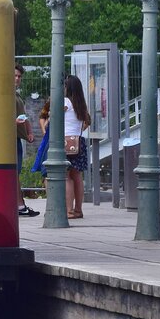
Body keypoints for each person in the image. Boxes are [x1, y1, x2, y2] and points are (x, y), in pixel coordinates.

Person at [63, 75, 92, 219]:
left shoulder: (66, 102)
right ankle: (78, 210)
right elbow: (87, 121)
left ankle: (68, 211)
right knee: (77, 176)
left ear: (67, 87)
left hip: (66, 142)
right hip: (79, 141)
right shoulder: (81, 104)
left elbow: (54, 116)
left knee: (66, 176)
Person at [14, 64, 38, 217]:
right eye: (14, 76)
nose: (17, 79)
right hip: (10, 139)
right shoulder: (6, 95)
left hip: (17, 137)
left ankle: (19, 204)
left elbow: (23, 115)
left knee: (16, 172)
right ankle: (20, 205)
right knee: (14, 173)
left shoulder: (17, 96)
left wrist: (29, 131)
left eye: (19, 76)